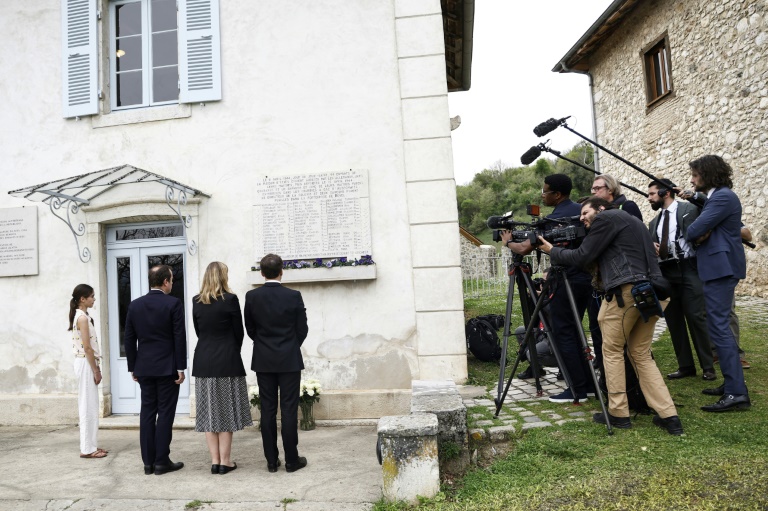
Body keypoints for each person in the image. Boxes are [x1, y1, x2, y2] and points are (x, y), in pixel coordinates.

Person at [538, 197, 684, 435]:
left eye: (585, 213)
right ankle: (669, 415)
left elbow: (581, 257)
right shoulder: (632, 222)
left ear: (601, 208)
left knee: (612, 351)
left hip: (627, 293)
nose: (582, 218)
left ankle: (618, 413)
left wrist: (550, 250)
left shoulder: (606, 218)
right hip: (653, 292)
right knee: (640, 354)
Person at [501, 174, 594, 403]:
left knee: (564, 333)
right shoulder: (581, 212)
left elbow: (524, 248)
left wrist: (507, 242)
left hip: (565, 278)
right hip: (586, 279)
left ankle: (576, 389)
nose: (542, 196)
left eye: (545, 192)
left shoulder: (554, 220)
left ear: (557, 194)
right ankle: (589, 385)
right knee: (576, 331)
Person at [684, 155, 750, 412]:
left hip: (720, 267)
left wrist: (699, 234)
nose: (692, 179)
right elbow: (700, 229)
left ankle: (736, 393)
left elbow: (692, 231)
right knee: (718, 327)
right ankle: (732, 383)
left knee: (720, 328)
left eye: (695, 175)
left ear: (708, 174)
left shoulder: (722, 197)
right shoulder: (716, 198)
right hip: (717, 266)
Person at [244, 254, 309, 473]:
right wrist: (290, 345)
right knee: (289, 410)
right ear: (282, 270)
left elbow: (250, 329)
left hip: (264, 360)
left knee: (268, 410)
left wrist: (264, 345)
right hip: (289, 360)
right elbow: (302, 329)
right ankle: (292, 460)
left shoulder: (252, 296)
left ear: (261, 273)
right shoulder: (294, 296)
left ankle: (271, 461)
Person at [647, 179, 715, 381]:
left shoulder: (689, 208)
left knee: (696, 317)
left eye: (651, 193)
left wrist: (692, 194)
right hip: (665, 272)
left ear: (665, 192)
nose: (648, 197)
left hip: (689, 267)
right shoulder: (654, 222)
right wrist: (653, 245)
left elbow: (709, 206)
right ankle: (685, 365)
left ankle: (708, 366)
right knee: (673, 320)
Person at [124, 265, 187, 475]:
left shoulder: (135, 305)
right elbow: (179, 336)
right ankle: (161, 461)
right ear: (165, 282)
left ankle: (148, 463)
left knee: (147, 413)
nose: (172, 283)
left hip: (144, 367)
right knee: (166, 414)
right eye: (171, 280)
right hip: (167, 367)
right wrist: (181, 367)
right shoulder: (173, 303)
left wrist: (133, 366)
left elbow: (129, 338)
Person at [192, 262, 253, 475]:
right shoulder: (231, 299)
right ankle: (225, 462)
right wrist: (230, 349)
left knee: (209, 413)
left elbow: (199, 331)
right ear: (223, 277)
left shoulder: (196, 301)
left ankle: (215, 461)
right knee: (225, 412)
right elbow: (239, 332)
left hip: (203, 361)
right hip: (227, 360)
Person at [69, 284, 107, 459]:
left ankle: (91, 445)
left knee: (91, 405)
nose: (94, 299)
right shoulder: (82, 318)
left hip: (85, 363)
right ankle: (87, 448)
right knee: (87, 405)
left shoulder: (82, 316)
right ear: (82, 299)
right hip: (85, 363)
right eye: (91, 296)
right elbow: (88, 348)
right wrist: (96, 370)